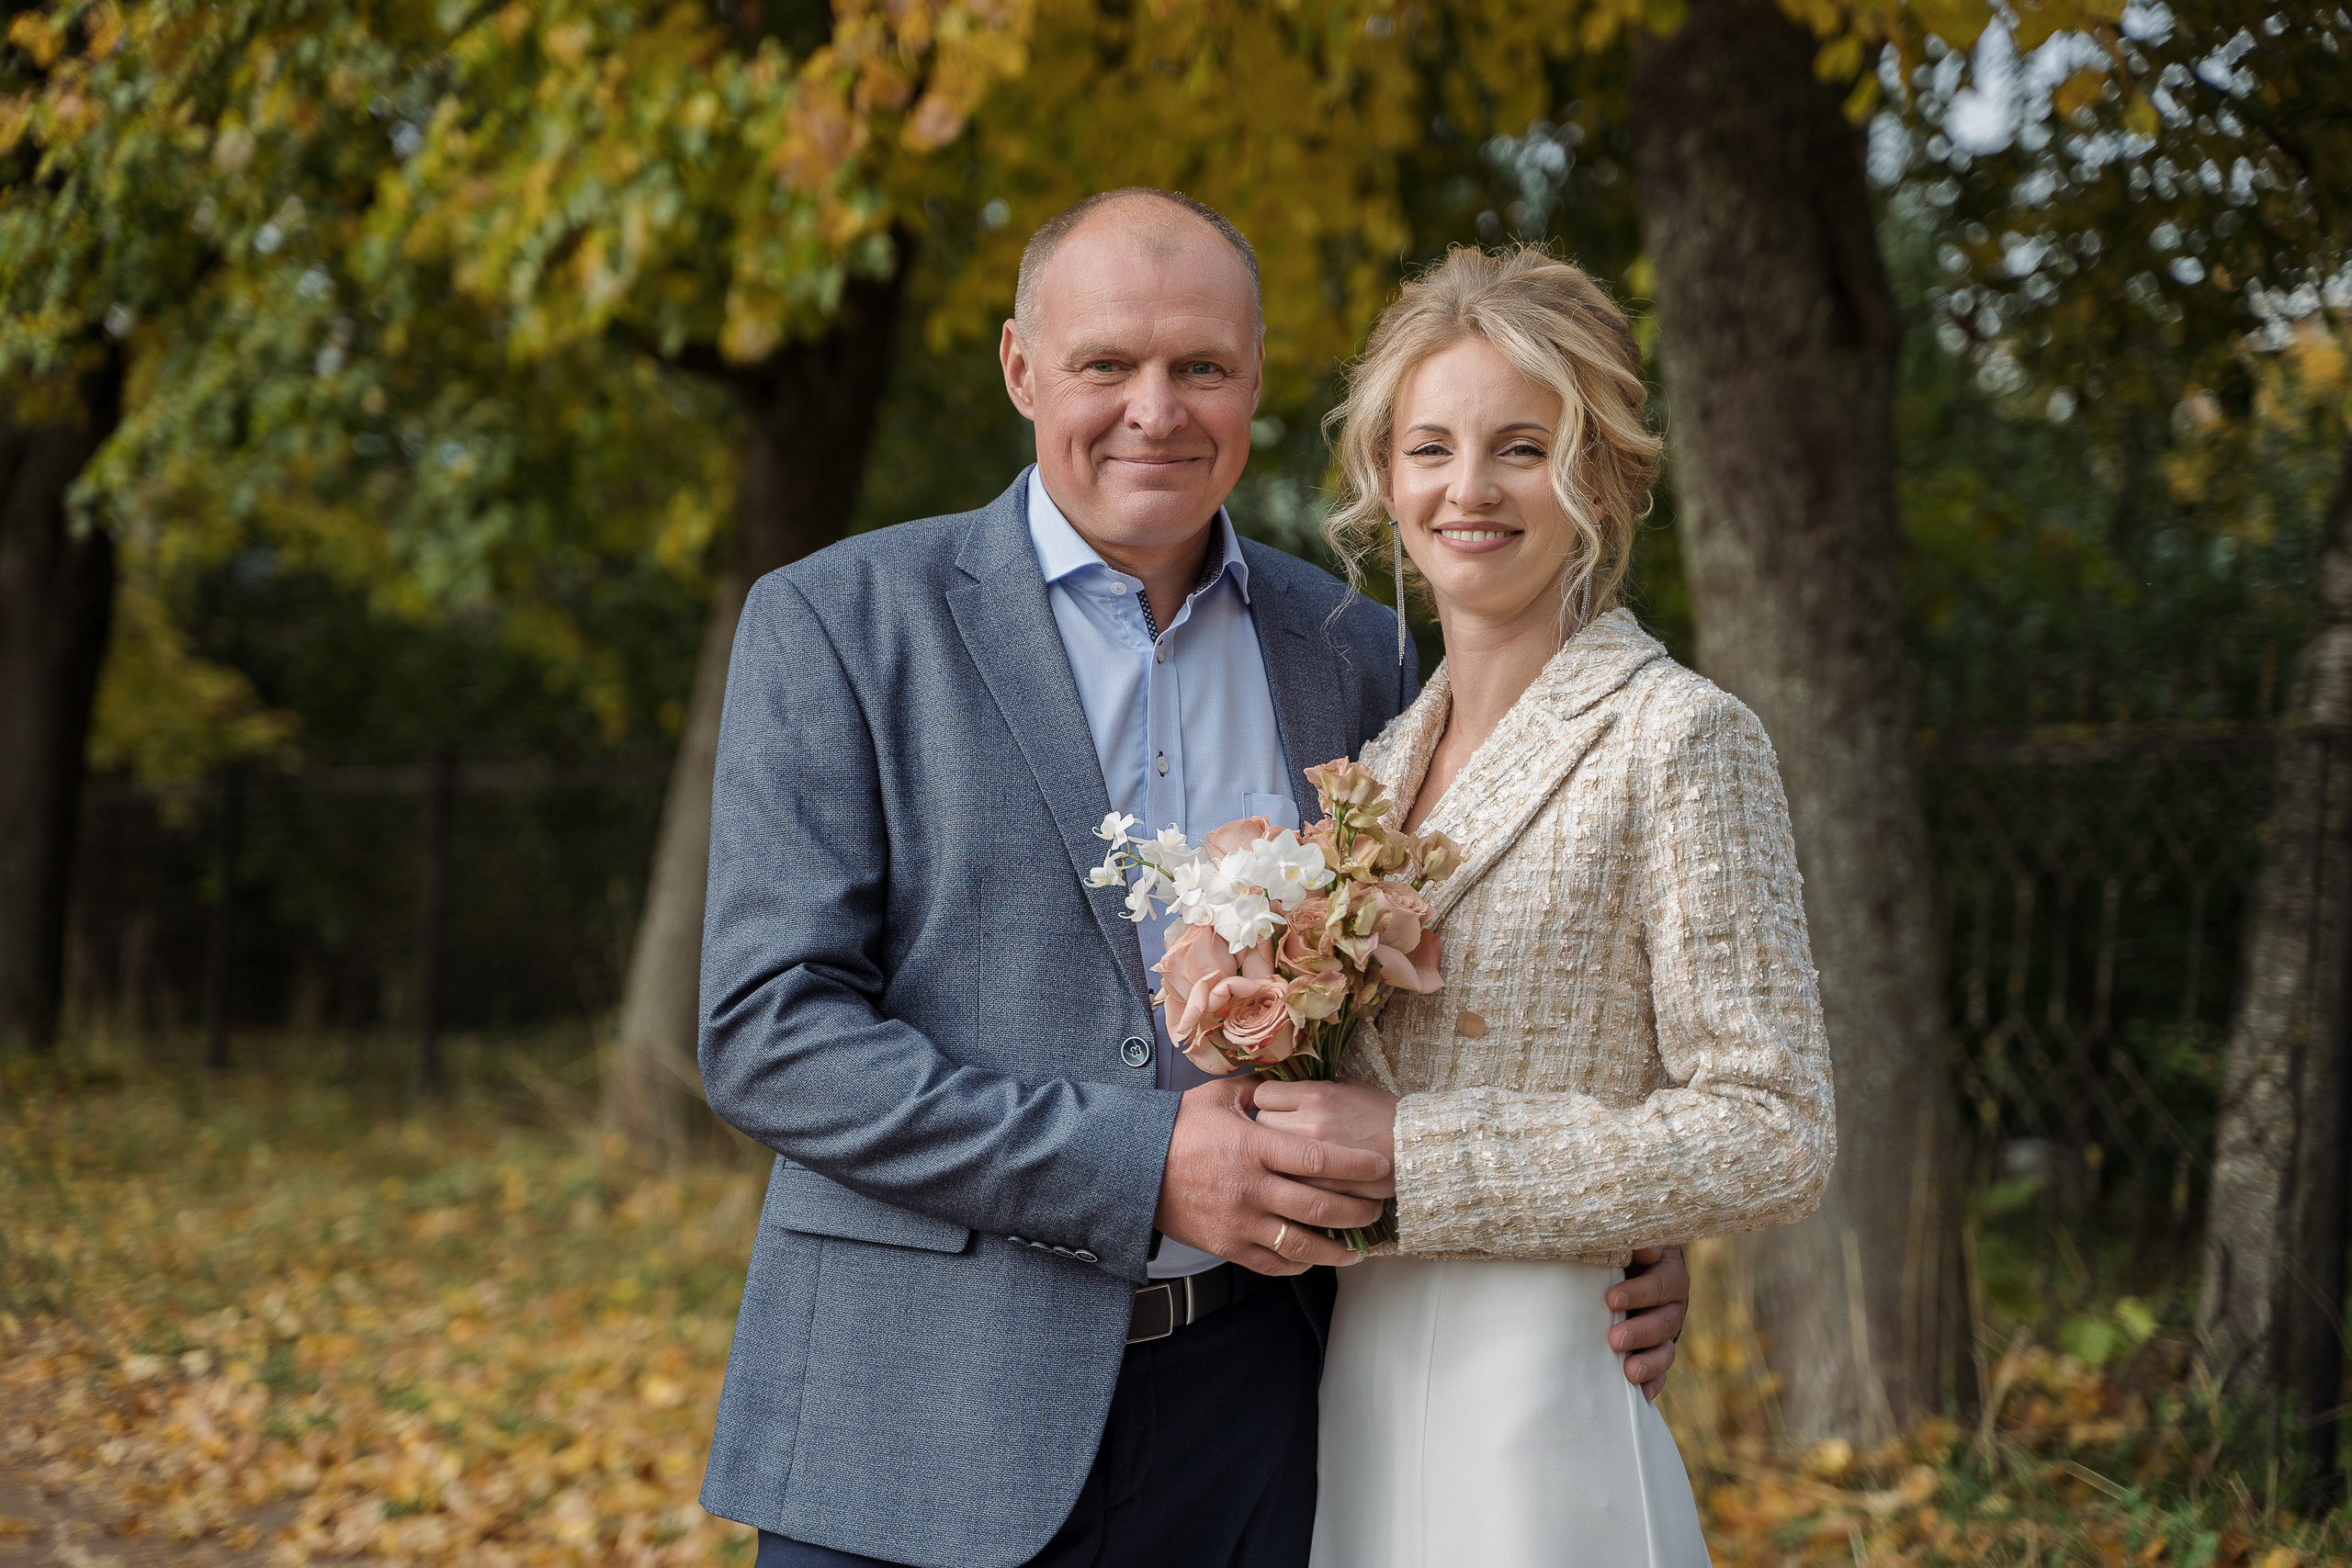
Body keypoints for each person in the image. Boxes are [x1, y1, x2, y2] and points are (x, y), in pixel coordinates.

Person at [694, 191, 1692, 1568]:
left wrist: (1600, 1233)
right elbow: (770, 1040)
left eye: (1200, 368)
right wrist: (1144, 1163)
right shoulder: (837, 623)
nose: (1154, 408)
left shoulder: (1359, 651)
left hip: (1261, 1418)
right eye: (1108, 364)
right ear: (1020, 368)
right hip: (915, 1415)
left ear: (1255, 382)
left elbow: (1466, 997)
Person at [1250, 244, 1837, 1566]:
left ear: (1601, 475)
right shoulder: (1374, 768)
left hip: (1540, 1401)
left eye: (1523, 447)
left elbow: (1775, 1124)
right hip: (1358, 1390)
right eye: (1431, 448)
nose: (1469, 489)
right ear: (1383, 477)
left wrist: (1417, 1160)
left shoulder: (1678, 737)